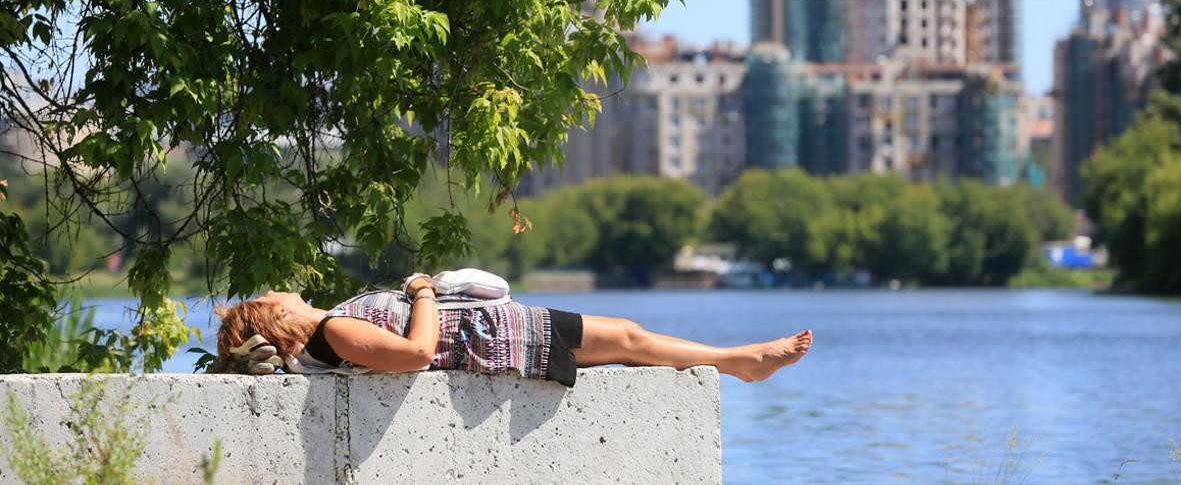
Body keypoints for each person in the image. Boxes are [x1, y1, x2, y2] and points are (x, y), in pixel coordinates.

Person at [215, 275, 812, 386]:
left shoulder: (331, 331)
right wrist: (422, 289)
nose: (279, 289)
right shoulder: (334, 334)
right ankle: (743, 360)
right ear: (281, 319)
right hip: (506, 339)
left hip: (500, 335)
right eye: (270, 297)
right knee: (630, 340)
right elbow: (418, 354)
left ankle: (738, 360)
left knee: (630, 344)